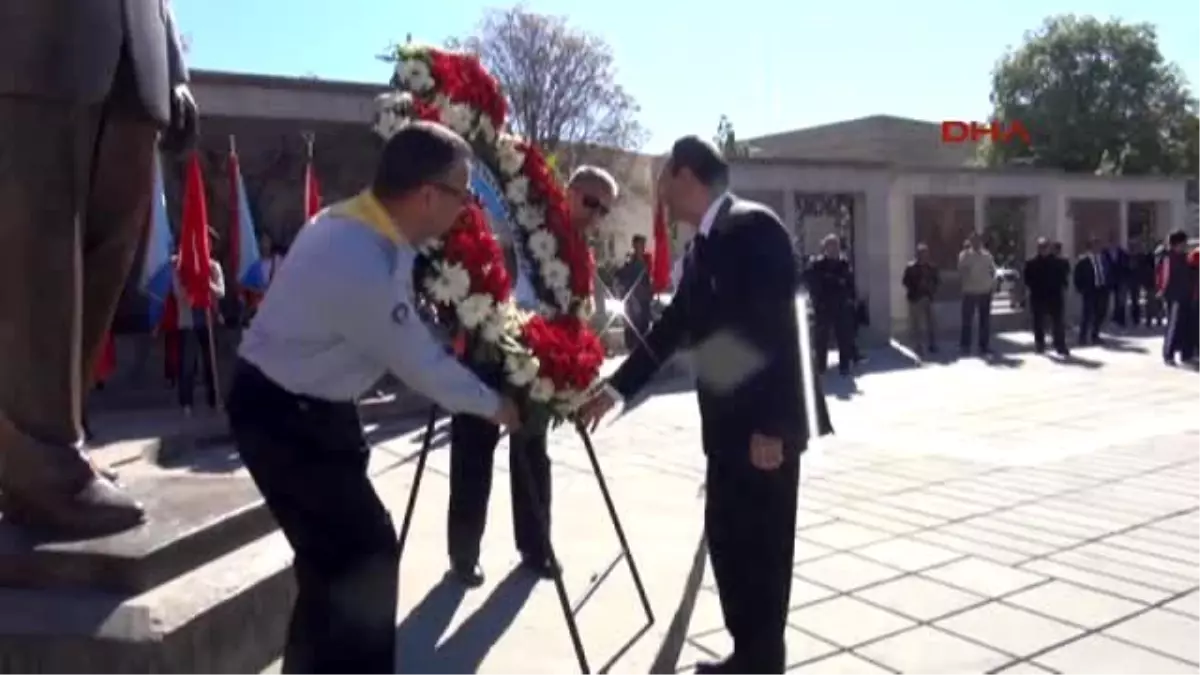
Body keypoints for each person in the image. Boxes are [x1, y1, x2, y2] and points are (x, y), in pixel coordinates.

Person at [226, 122, 521, 675]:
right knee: (366, 556)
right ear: (428, 195)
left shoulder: (369, 229)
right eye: (463, 195)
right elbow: (419, 362)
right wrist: (495, 404)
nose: (466, 209)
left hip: (317, 411)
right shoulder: (358, 253)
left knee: (330, 566)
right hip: (283, 417)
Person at [577, 136, 832, 675]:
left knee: (762, 555)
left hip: (763, 431)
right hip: (725, 430)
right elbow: (673, 329)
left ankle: (762, 662)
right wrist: (616, 387)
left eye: (664, 182)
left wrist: (775, 426)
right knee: (729, 542)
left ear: (687, 177)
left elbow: (781, 329)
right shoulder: (703, 246)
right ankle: (748, 655)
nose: (661, 197)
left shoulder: (753, 228)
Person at [0, 0, 198, 536]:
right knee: (38, 261)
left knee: (105, 263)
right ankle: (40, 464)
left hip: (136, 65)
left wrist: (172, 67)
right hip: (31, 45)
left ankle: (55, 446)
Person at [446, 164, 617, 587]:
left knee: (532, 453)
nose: (595, 215)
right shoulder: (532, 215)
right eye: (590, 202)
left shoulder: (582, 252)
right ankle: (464, 553)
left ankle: (535, 547)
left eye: (604, 210)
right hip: (493, 344)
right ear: (571, 191)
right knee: (473, 448)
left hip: (540, 359)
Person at [172, 246, 226, 416]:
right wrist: (194, 283)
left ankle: (214, 399)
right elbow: (178, 293)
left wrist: (207, 283)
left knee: (211, 362)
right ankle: (186, 402)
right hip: (189, 322)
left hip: (209, 321)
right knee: (187, 363)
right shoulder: (179, 268)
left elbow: (221, 292)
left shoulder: (213, 266)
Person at [804, 234, 857, 375]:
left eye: (836, 246)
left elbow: (848, 283)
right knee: (822, 338)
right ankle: (821, 365)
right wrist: (832, 281)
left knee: (843, 336)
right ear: (825, 248)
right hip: (823, 306)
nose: (833, 249)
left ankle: (844, 365)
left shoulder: (843, 264)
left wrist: (850, 298)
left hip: (840, 305)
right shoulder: (817, 264)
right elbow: (812, 282)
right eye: (830, 246)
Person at [1023, 238, 1069, 356]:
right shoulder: (1031, 263)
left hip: (1055, 296)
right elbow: (1027, 280)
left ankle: (1060, 345)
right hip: (1038, 296)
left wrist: (1062, 287)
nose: (1043, 249)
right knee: (1038, 322)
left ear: (1049, 248)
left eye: (1045, 247)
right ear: (1038, 248)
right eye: (1041, 247)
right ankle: (1040, 344)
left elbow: (1064, 277)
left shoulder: (1058, 262)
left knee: (1058, 322)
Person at [957, 232, 997, 354]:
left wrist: (992, 284)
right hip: (970, 291)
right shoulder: (964, 255)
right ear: (970, 241)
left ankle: (984, 345)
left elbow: (993, 270)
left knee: (985, 320)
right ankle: (965, 345)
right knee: (967, 320)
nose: (976, 242)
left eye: (978, 240)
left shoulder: (987, 255)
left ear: (980, 241)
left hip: (985, 291)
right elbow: (962, 270)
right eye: (973, 240)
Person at [1159, 230, 1194, 364]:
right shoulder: (1168, 258)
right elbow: (1165, 278)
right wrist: (1163, 293)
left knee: (1187, 325)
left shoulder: (1185, 257)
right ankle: (1169, 354)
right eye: (1183, 243)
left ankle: (1186, 354)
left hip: (1187, 295)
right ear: (1176, 244)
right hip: (1174, 297)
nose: (1185, 245)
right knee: (1174, 325)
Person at [616, 234, 654, 352]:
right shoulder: (629, 263)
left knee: (644, 328)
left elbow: (647, 280)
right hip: (634, 301)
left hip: (645, 300)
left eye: (643, 245)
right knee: (634, 331)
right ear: (634, 245)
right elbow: (620, 279)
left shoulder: (646, 262)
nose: (642, 248)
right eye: (639, 245)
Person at [901, 243, 939, 356]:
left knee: (931, 323)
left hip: (928, 297)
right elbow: (905, 282)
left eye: (925, 253)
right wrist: (915, 286)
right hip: (915, 298)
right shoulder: (911, 267)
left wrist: (931, 288)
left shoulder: (932, 267)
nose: (923, 255)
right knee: (916, 324)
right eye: (921, 253)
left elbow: (937, 281)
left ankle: (932, 344)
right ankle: (918, 345)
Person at [1073, 238, 1108, 346]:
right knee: (1087, 314)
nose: (1098, 248)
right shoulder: (1083, 260)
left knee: (1100, 313)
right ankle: (1082, 337)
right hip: (1089, 290)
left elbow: (1107, 271)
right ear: (1091, 247)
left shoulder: (1102, 258)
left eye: (1099, 245)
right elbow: (1077, 276)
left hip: (1101, 289)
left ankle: (1095, 335)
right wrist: (1081, 289)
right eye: (1096, 245)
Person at [1103, 237, 1131, 327]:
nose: (1113, 244)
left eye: (1114, 241)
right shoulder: (1104, 253)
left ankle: (1120, 319)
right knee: (1107, 300)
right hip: (1109, 280)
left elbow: (1127, 265)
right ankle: (1108, 317)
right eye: (1111, 241)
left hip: (1121, 279)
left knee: (1120, 300)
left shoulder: (1122, 253)